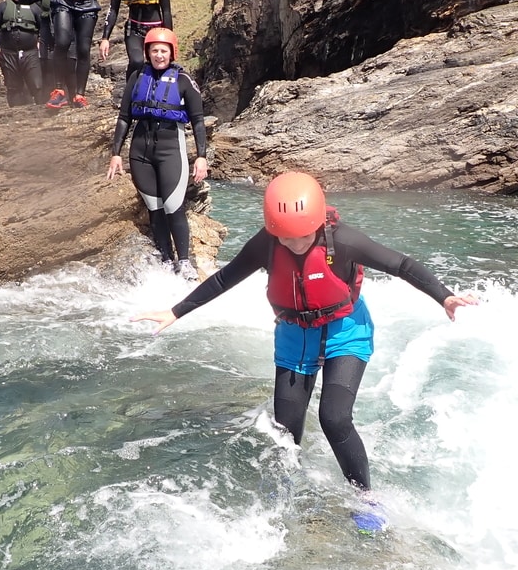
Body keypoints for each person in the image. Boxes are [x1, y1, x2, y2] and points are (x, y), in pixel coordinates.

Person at [133, 172, 478, 491]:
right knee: (286, 428)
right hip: (294, 335)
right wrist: (175, 311)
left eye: (301, 237)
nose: (294, 244)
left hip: (346, 331)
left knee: (334, 418)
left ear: (316, 223)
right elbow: (225, 278)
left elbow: (401, 265)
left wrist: (444, 297)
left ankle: (365, 497)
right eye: (285, 237)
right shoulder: (266, 244)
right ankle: (284, 489)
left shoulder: (343, 241)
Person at [106, 27, 208, 279]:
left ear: (171, 53)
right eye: (154, 50)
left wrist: (202, 157)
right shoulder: (137, 77)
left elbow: (197, 121)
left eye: (163, 50)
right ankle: (165, 258)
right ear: (147, 53)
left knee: (174, 206)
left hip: (170, 149)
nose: (159, 55)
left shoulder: (184, 80)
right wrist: (116, 153)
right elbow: (124, 117)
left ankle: (183, 262)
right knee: (155, 207)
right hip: (140, 151)